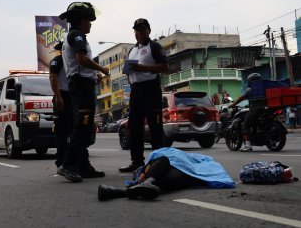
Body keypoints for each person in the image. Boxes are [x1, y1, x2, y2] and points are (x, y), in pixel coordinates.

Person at [57, 2, 109, 182]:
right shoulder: (77, 35)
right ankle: (68, 165)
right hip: (80, 85)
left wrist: (94, 75)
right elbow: (81, 59)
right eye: (88, 19)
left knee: (85, 127)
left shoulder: (72, 36)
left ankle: (84, 165)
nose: (91, 24)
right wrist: (101, 68)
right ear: (81, 20)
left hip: (81, 83)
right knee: (82, 126)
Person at [119, 18, 169, 173]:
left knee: (155, 127)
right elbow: (130, 70)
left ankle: (157, 162)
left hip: (151, 90)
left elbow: (165, 66)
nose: (139, 33)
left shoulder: (154, 46)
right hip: (136, 91)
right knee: (135, 127)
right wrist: (130, 74)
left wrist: (143, 68)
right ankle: (136, 162)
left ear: (148, 31)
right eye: (136, 30)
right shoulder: (132, 50)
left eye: (142, 29)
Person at [98, 147, 235, 201]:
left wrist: (141, 178)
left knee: (162, 160)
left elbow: (152, 164)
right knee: (160, 171)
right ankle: (144, 185)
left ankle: (142, 185)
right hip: (177, 179)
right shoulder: (197, 158)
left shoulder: (165, 155)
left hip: (180, 174)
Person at [49, 41, 73, 170]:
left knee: (72, 131)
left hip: (72, 97)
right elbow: (53, 78)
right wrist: (58, 97)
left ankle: (72, 161)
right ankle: (61, 162)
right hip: (61, 96)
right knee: (62, 132)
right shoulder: (57, 60)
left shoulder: (72, 62)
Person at [229, 73, 261, 152]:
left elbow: (241, 98)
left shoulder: (250, 90)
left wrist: (233, 104)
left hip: (255, 110)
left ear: (250, 81)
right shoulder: (263, 88)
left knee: (245, 126)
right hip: (265, 110)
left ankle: (248, 145)